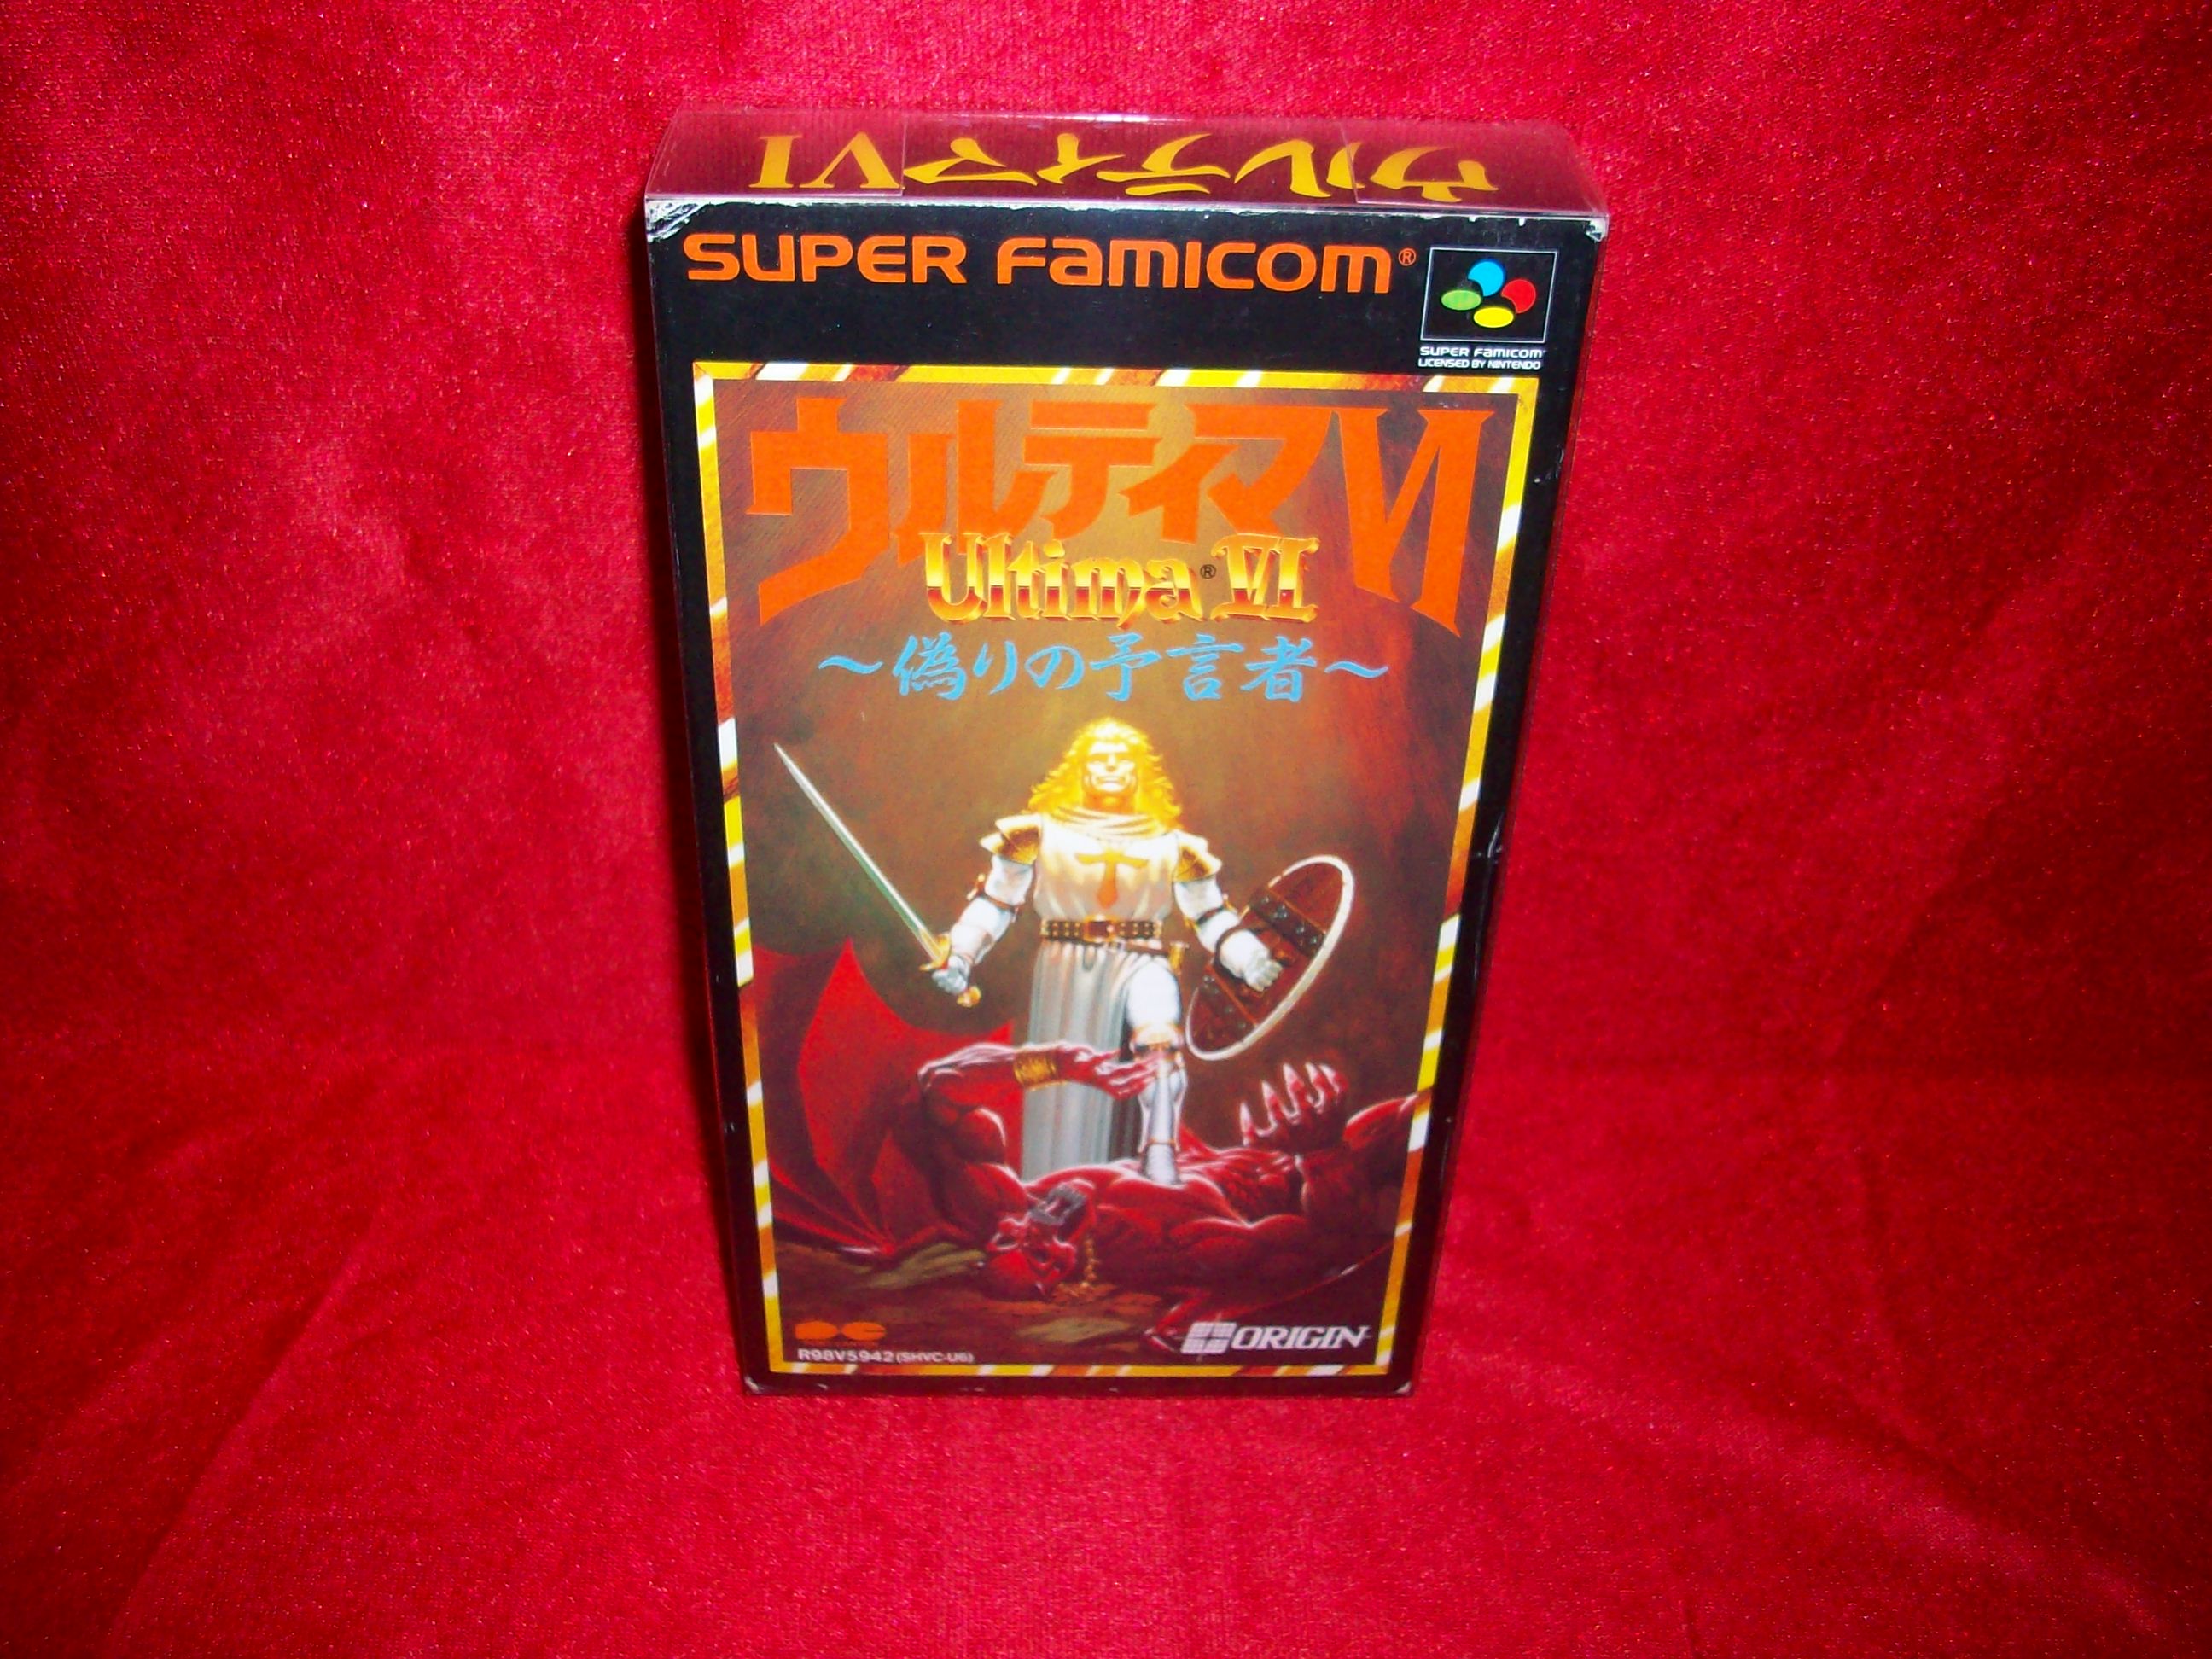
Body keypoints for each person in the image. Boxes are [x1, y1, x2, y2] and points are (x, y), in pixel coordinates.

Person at [928, 718, 1281, 1185]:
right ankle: (1058, 1186)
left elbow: (1209, 915)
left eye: (1123, 759)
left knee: (1161, 1042)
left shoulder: (1175, 846)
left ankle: (1160, 1157)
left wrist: (1247, 957)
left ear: (1139, 772)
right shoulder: (1036, 833)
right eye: (1100, 758)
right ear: (1081, 770)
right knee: (1065, 1089)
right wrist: (961, 954)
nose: (1112, 766)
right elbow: (996, 902)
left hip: (1144, 958)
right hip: (1066, 963)